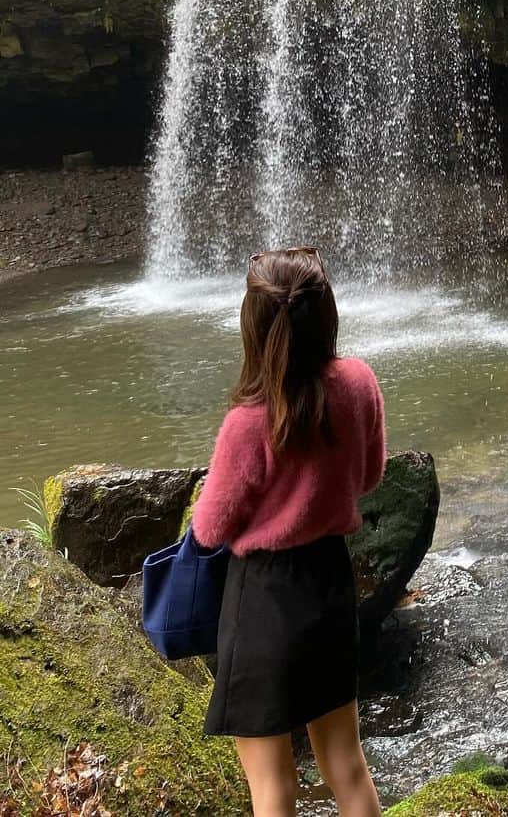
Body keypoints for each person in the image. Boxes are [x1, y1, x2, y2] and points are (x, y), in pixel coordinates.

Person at [192, 246, 385, 817]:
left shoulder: (247, 423)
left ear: (252, 327)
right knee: (347, 766)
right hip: (329, 584)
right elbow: (369, 477)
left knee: (273, 785)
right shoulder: (358, 382)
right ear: (327, 315)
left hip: (264, 600)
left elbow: (209, 529)